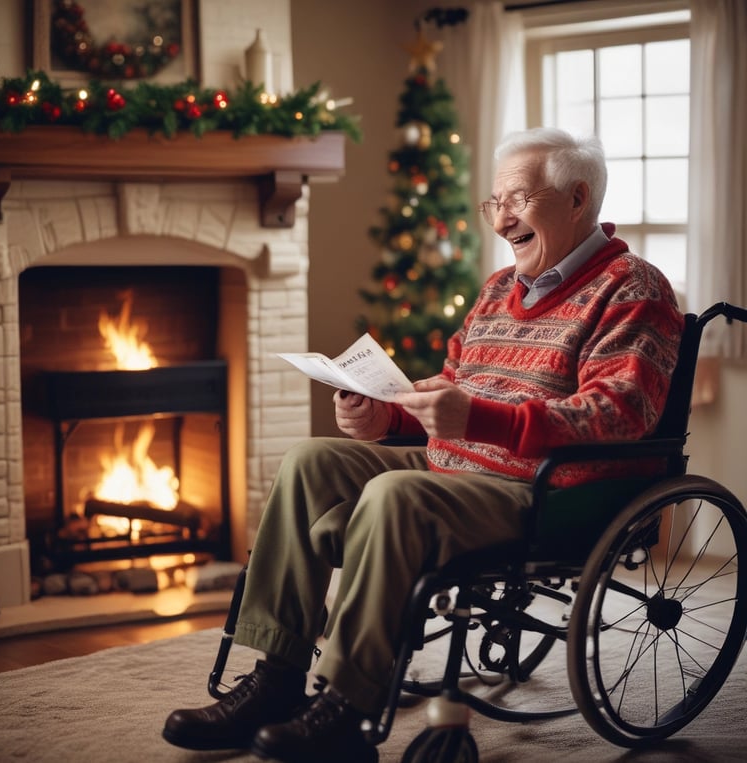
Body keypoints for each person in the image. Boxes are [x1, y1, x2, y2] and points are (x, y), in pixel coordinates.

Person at [162, 127, 684, 762]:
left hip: (547, 489)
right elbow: (456, 386)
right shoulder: (498, 289)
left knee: (393, 493)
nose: (502, 218)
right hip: (458, 464)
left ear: (578, 199)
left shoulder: (634, 286)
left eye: (518, 198)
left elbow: (617, 413)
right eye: (494, 203)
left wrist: (483, 421)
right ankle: (277, 676)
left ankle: (347, 710)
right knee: (310, 460)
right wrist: (389, 418)